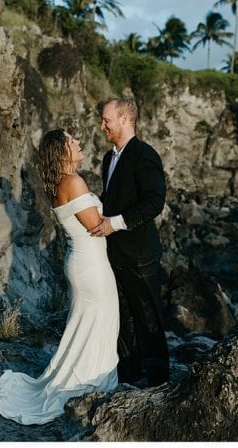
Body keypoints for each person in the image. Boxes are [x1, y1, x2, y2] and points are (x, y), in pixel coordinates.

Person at [0, 129, 119, 425]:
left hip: (85, 262)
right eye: (71, 140)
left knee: (89, 324)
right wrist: (125, 219)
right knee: (97, 322)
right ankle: (86, 382)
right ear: (61, 152)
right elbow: (96, 225)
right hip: (91, 264)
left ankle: (88, 376)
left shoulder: (62, 182)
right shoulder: (73, 181)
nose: (78, 142)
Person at [91, 98, 169, 386]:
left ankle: (159, 380)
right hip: (114, 253)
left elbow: (154, 202)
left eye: (106, 120)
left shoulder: (145, 155)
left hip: (140, 254)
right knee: (122, 315)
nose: (102, 126)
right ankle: (128, 374)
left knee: (149, 318)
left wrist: (114, 223)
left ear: (124, 120)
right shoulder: (108, 158)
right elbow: (113, 200)